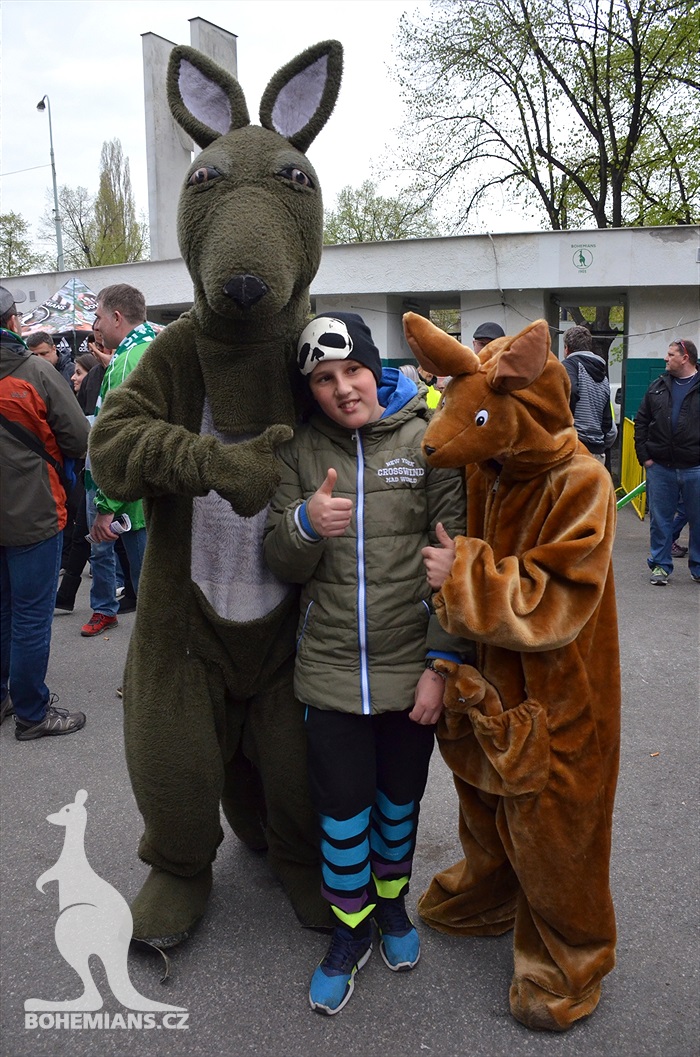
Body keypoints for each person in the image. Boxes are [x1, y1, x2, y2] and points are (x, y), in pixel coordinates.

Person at [263, 311, 471, 1015]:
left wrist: (441, 664)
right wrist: (302, 526)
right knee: (343, 812)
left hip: (412, 667)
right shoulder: (298, 449)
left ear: (372, 366)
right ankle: (349, 927)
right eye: (324, 378)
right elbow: (275, 553)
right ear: (311, 388)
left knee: (398, 805)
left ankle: (392, 909)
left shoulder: (427, 436)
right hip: (328, 671)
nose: (343, 388)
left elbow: (458, 560)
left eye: (352, 370)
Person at [0, 285, 90, 739]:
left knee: (2, 610)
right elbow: (77, 437)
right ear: (13, 322)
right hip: (34, 512)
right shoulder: (35, 371)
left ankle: (4, 697)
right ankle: (33, 714)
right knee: (31, 616)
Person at [81, 285, 155, 637]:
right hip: (149, 493)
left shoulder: (126, 360)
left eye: (97, 315)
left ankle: (156, 687)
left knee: (152, 602)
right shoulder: (149, 348)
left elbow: (123, 439)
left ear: (116, 317)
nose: (96, 323)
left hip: (133, 502)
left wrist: (106, 506)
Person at [634, 338, 700, 585]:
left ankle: (698, 566)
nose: (666, 358)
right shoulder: (657, 387)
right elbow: (641, 422)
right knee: (660, 520)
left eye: (671, 354)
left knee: (698, 519)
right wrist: (645, 457)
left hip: (695, 467)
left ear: (685, 358)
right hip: (661, 467)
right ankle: (661, 566)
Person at [562, 324, 617, 463]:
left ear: (567, 348)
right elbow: (610, 428)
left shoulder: (569, 365)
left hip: (576, 449)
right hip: (597, 453)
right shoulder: (603, 376)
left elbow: (572, 390)